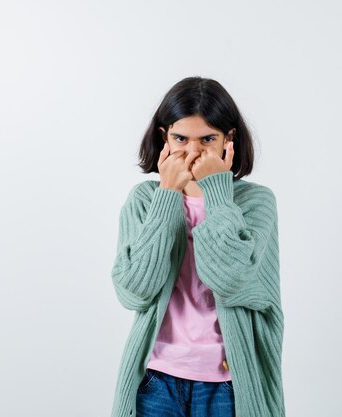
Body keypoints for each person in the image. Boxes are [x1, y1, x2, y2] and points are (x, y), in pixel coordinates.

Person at [110, 76, 285, 417]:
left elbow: (230, 279)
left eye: (207, 139)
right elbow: (135, 291)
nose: (192, 152)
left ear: (228, 140)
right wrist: (167, 195)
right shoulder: (145, 201)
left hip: (228, 382)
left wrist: (217, 191)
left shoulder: (256, 203)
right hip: (156, 379)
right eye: (180, 138)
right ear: (164, 138)